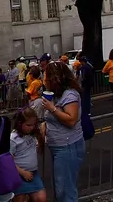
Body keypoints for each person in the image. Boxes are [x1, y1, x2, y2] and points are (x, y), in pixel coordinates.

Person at [41, 62, 84, 202]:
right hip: (58, 146)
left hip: (67, 147)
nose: (43, 78)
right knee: (60, 189)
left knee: (66, 192)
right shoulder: (56, 94)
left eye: (45, 75)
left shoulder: (69, 95)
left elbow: (71, 120)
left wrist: (52, 108)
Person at [10, 107, 46, 202]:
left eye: (33, 125)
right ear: (20, 123)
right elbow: (9, 160)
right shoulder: (13, 138)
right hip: (19, 174)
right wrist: (22, 172)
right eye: (28, 125)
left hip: (33, 173)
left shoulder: (32, 134)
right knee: (20, 199)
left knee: (41, 198)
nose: (31, 127)